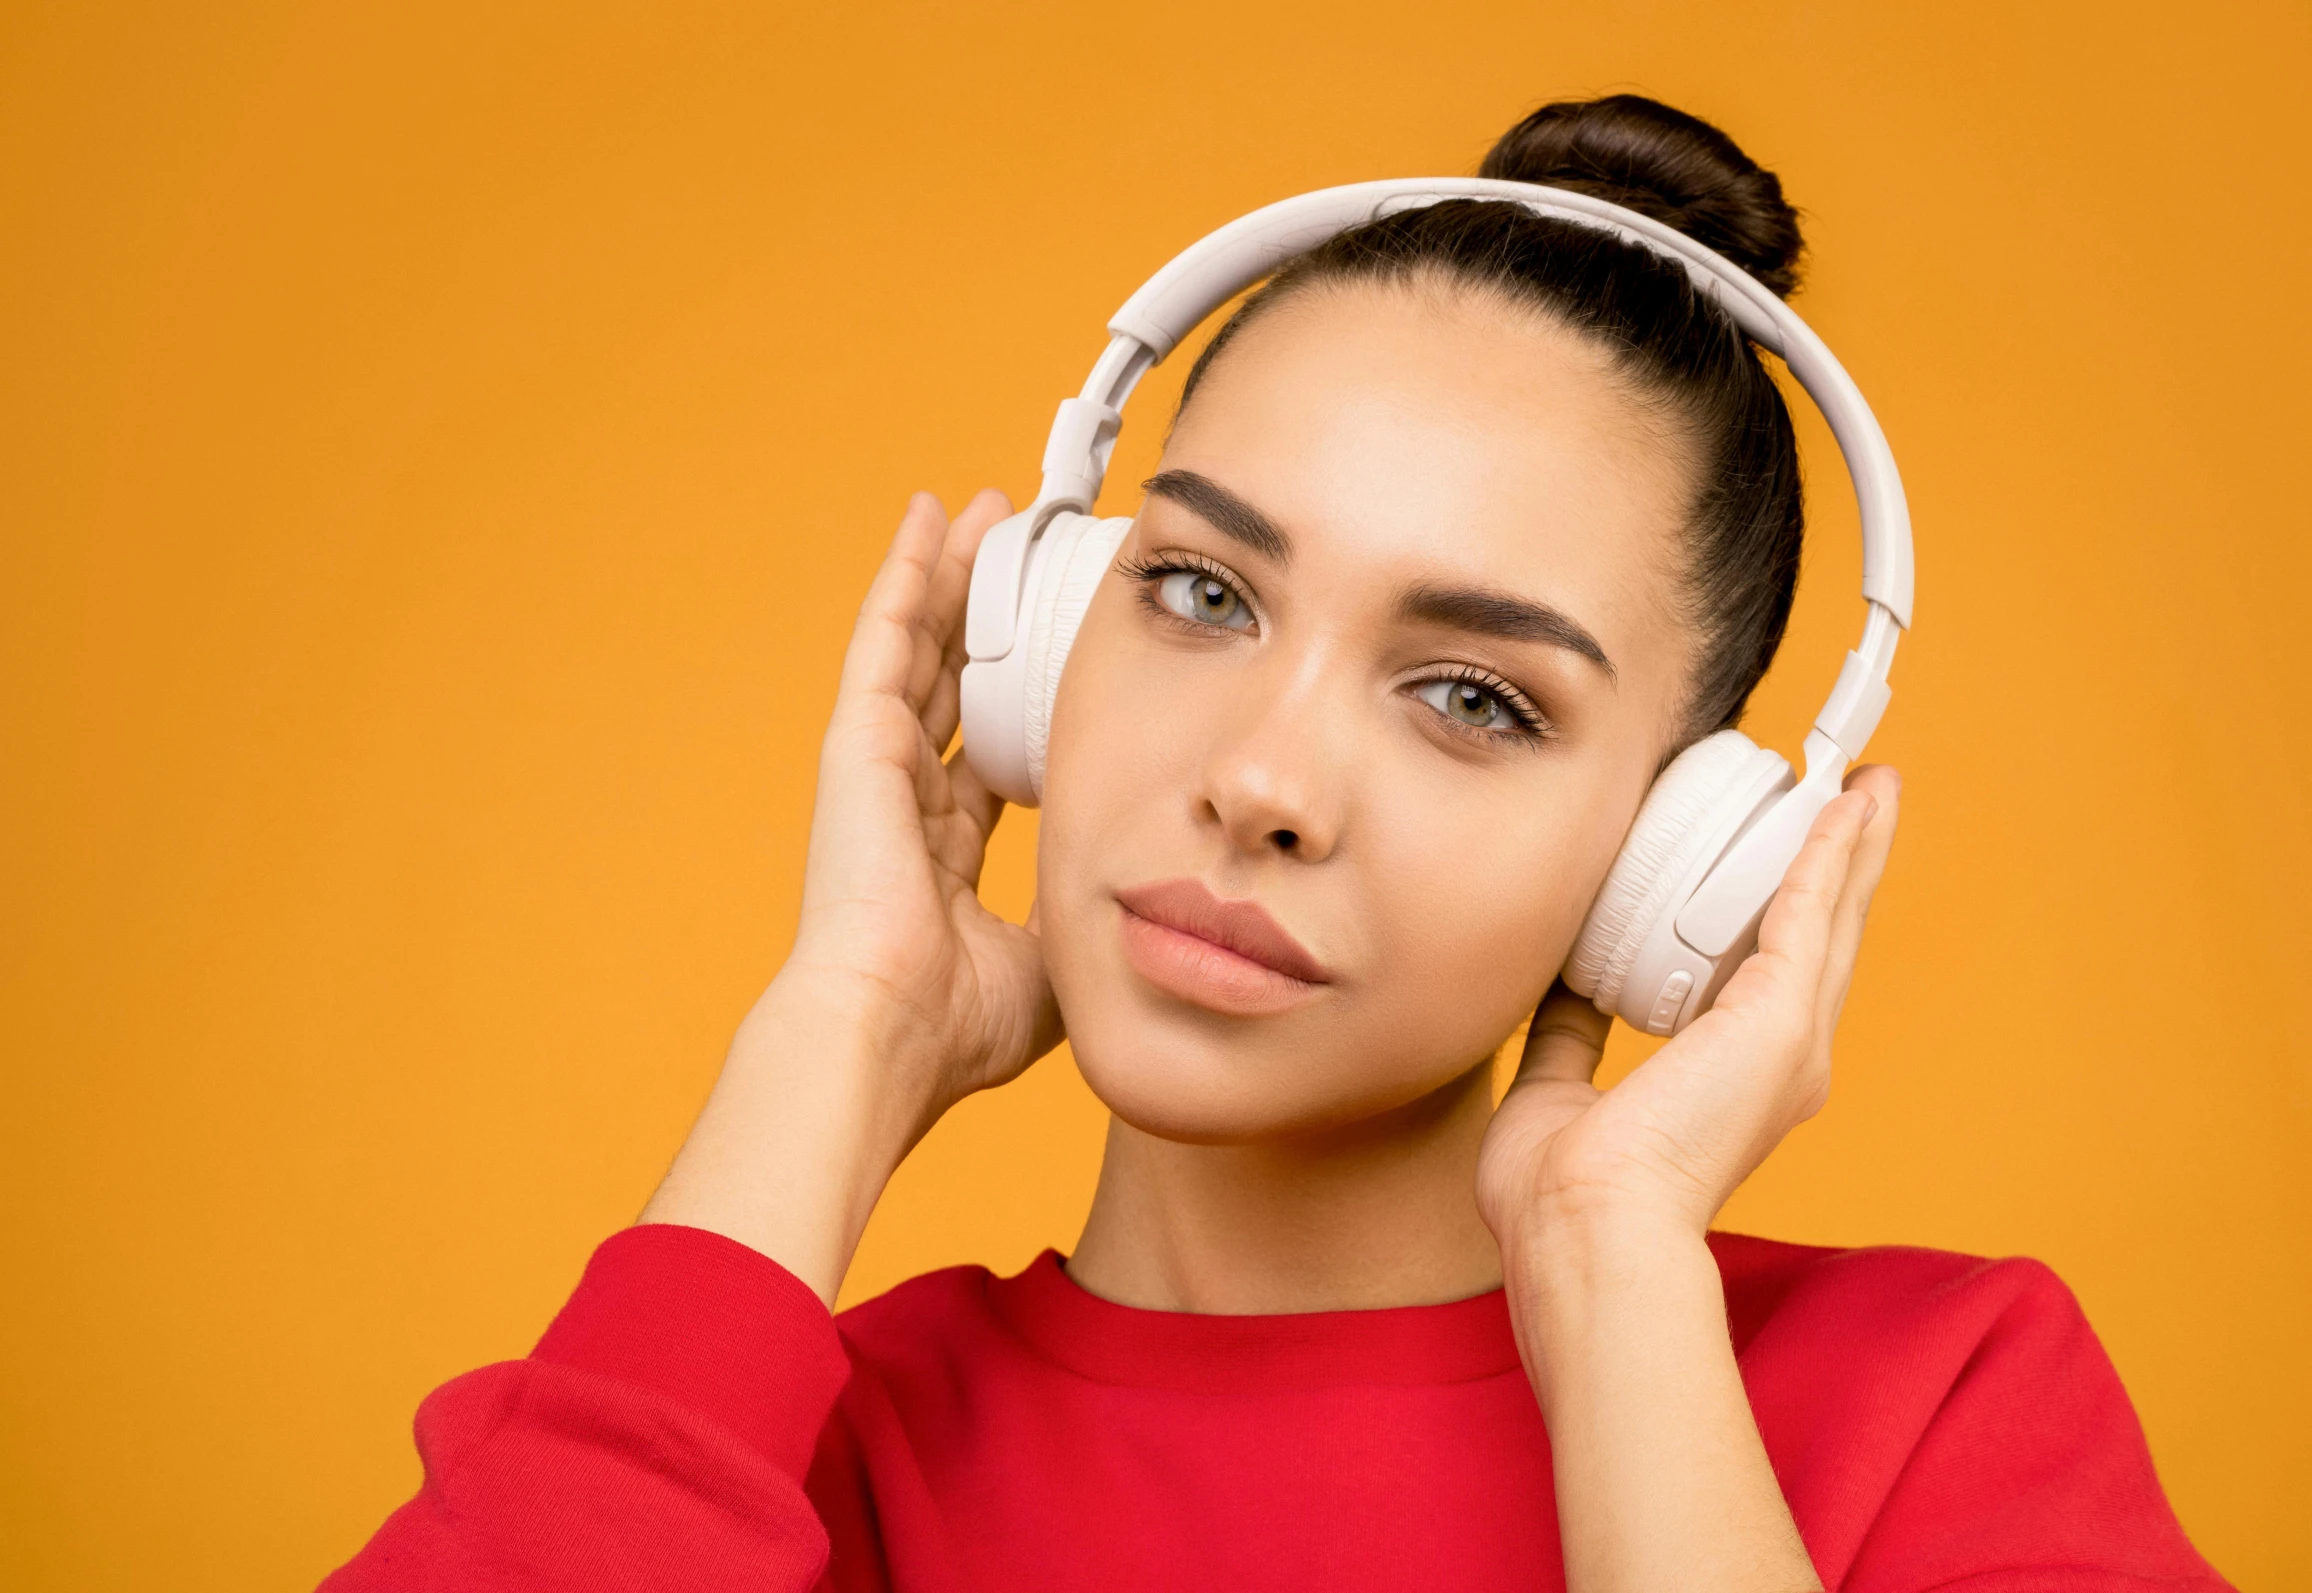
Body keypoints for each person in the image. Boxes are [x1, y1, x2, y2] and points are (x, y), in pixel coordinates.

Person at [324, 95, 2229, 1591]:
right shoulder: (759, 1471)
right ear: (1039, 646)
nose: (1262, 781)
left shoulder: (1940, 1408)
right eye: (1203, 592)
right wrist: (847, 1026)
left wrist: (1613, 1281)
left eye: (1474, 696)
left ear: (1679, 859)